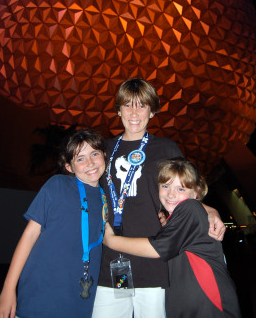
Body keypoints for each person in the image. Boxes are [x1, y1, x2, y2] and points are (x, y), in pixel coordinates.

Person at [92, 78, 226, 318]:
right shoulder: (104, 150)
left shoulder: (165, 148)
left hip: (153, 259)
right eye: (127, 105)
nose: (134, 112)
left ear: (152, 111)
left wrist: (210, 210)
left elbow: (186, 189)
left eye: (142, 105)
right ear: (118, 109)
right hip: (114, 261)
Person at [103, 157, 242, 318]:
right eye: (165, 186)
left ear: (196, 193)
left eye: (181, 189)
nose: (171, 194)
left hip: (209, 305)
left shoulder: (191, 208)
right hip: (186, 307)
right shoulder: (175, 219)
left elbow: (157, 249)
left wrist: (111, 240)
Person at [0, 128, 107, 318]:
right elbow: (29, 236)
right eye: (80, 158)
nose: (90, 163)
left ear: (104, 155)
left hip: (80, 300)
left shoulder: (106, 200)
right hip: (41, 293)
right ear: (69, 167)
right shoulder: (57, 185)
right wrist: (8, 289)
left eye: (94, 154)